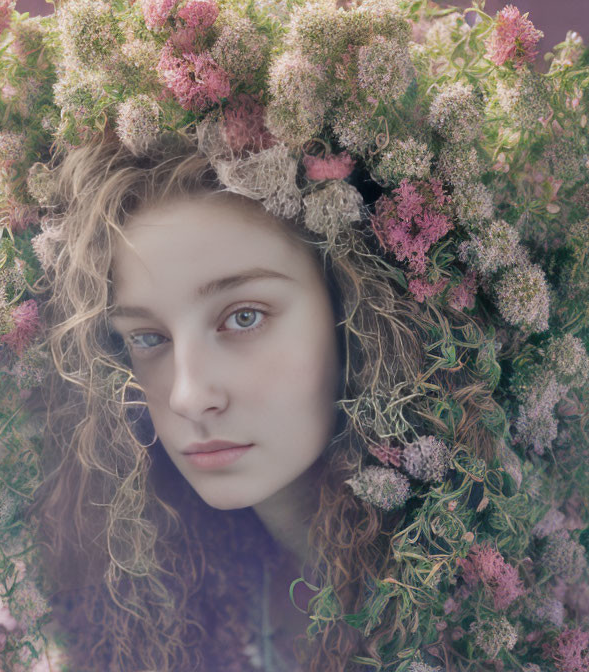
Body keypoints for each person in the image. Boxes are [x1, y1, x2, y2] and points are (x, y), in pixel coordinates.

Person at [27, 129, 499, 672]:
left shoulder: (486, 604)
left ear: (354, 309)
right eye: (148, 338)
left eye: (243, 317)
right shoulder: (179, 604)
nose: (188, 396)